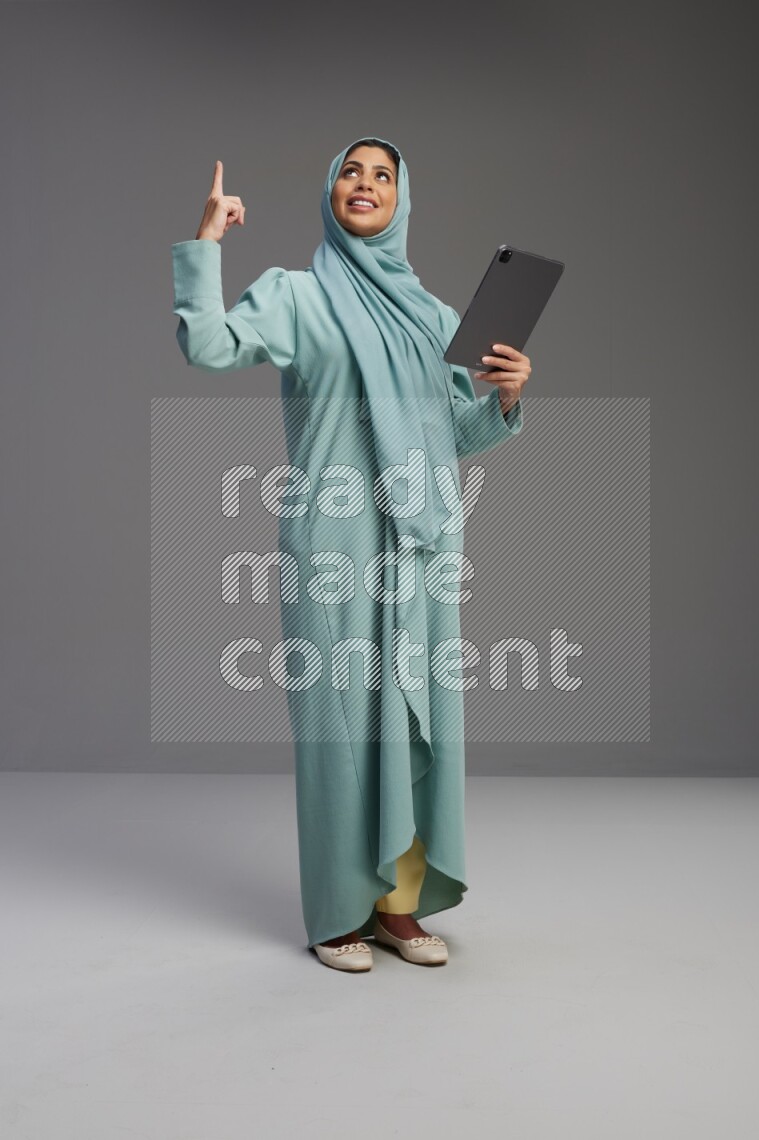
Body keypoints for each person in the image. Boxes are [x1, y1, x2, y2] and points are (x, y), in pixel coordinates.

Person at [171, 135, 531, 971]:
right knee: (338, 730)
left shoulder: (434, 316)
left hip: (420, 545)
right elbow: (210, 347)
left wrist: (506, 400)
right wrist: (207, 246)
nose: (364, 185)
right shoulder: (297, 297)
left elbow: (451, 434)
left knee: (412, 722)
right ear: (330, 192)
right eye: (350, 173)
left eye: (382, 176)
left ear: (402, 201)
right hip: (332, 544)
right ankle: (338, 911)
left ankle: (397, 908)